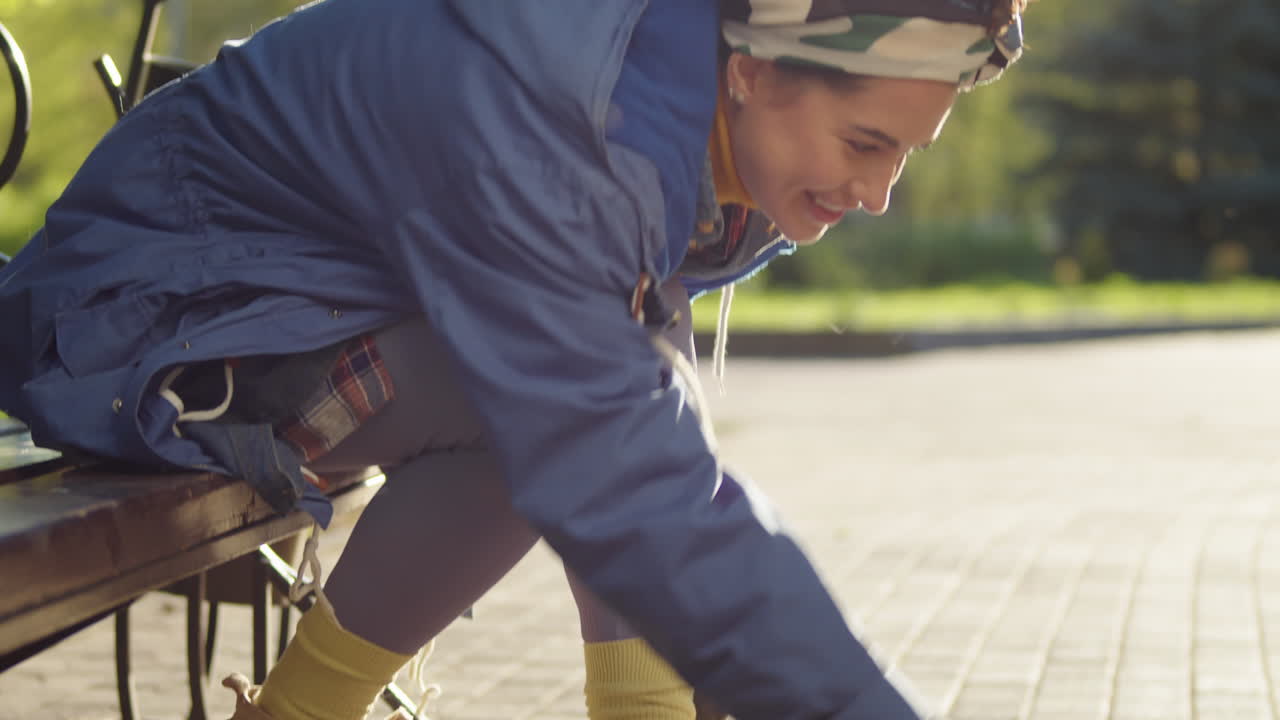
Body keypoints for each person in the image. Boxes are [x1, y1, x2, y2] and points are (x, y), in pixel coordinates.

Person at [0, 0, 1027, 718]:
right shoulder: (561, 121)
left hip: (285, 313)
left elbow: (635, 406)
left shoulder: (678, 102)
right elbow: (608, 453)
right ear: (752, 74)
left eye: (905, 152)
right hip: (141, 325)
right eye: (865, 144)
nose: (879, 195)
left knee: (587, 416)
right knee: (529, 420)